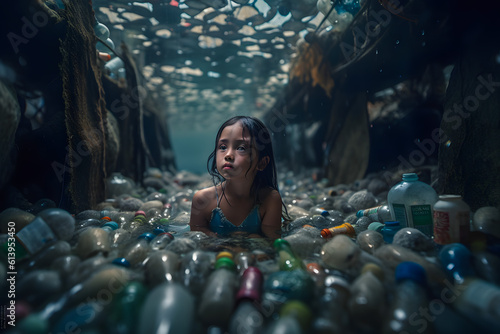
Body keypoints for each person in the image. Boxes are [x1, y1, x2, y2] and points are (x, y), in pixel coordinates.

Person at [189, 116, 288, 240]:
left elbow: (272, 242)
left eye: (241, 148)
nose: (228, 155)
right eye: (223, 147)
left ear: (262, 163)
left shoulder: (270, 200)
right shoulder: (202, 200)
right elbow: (197, 240)